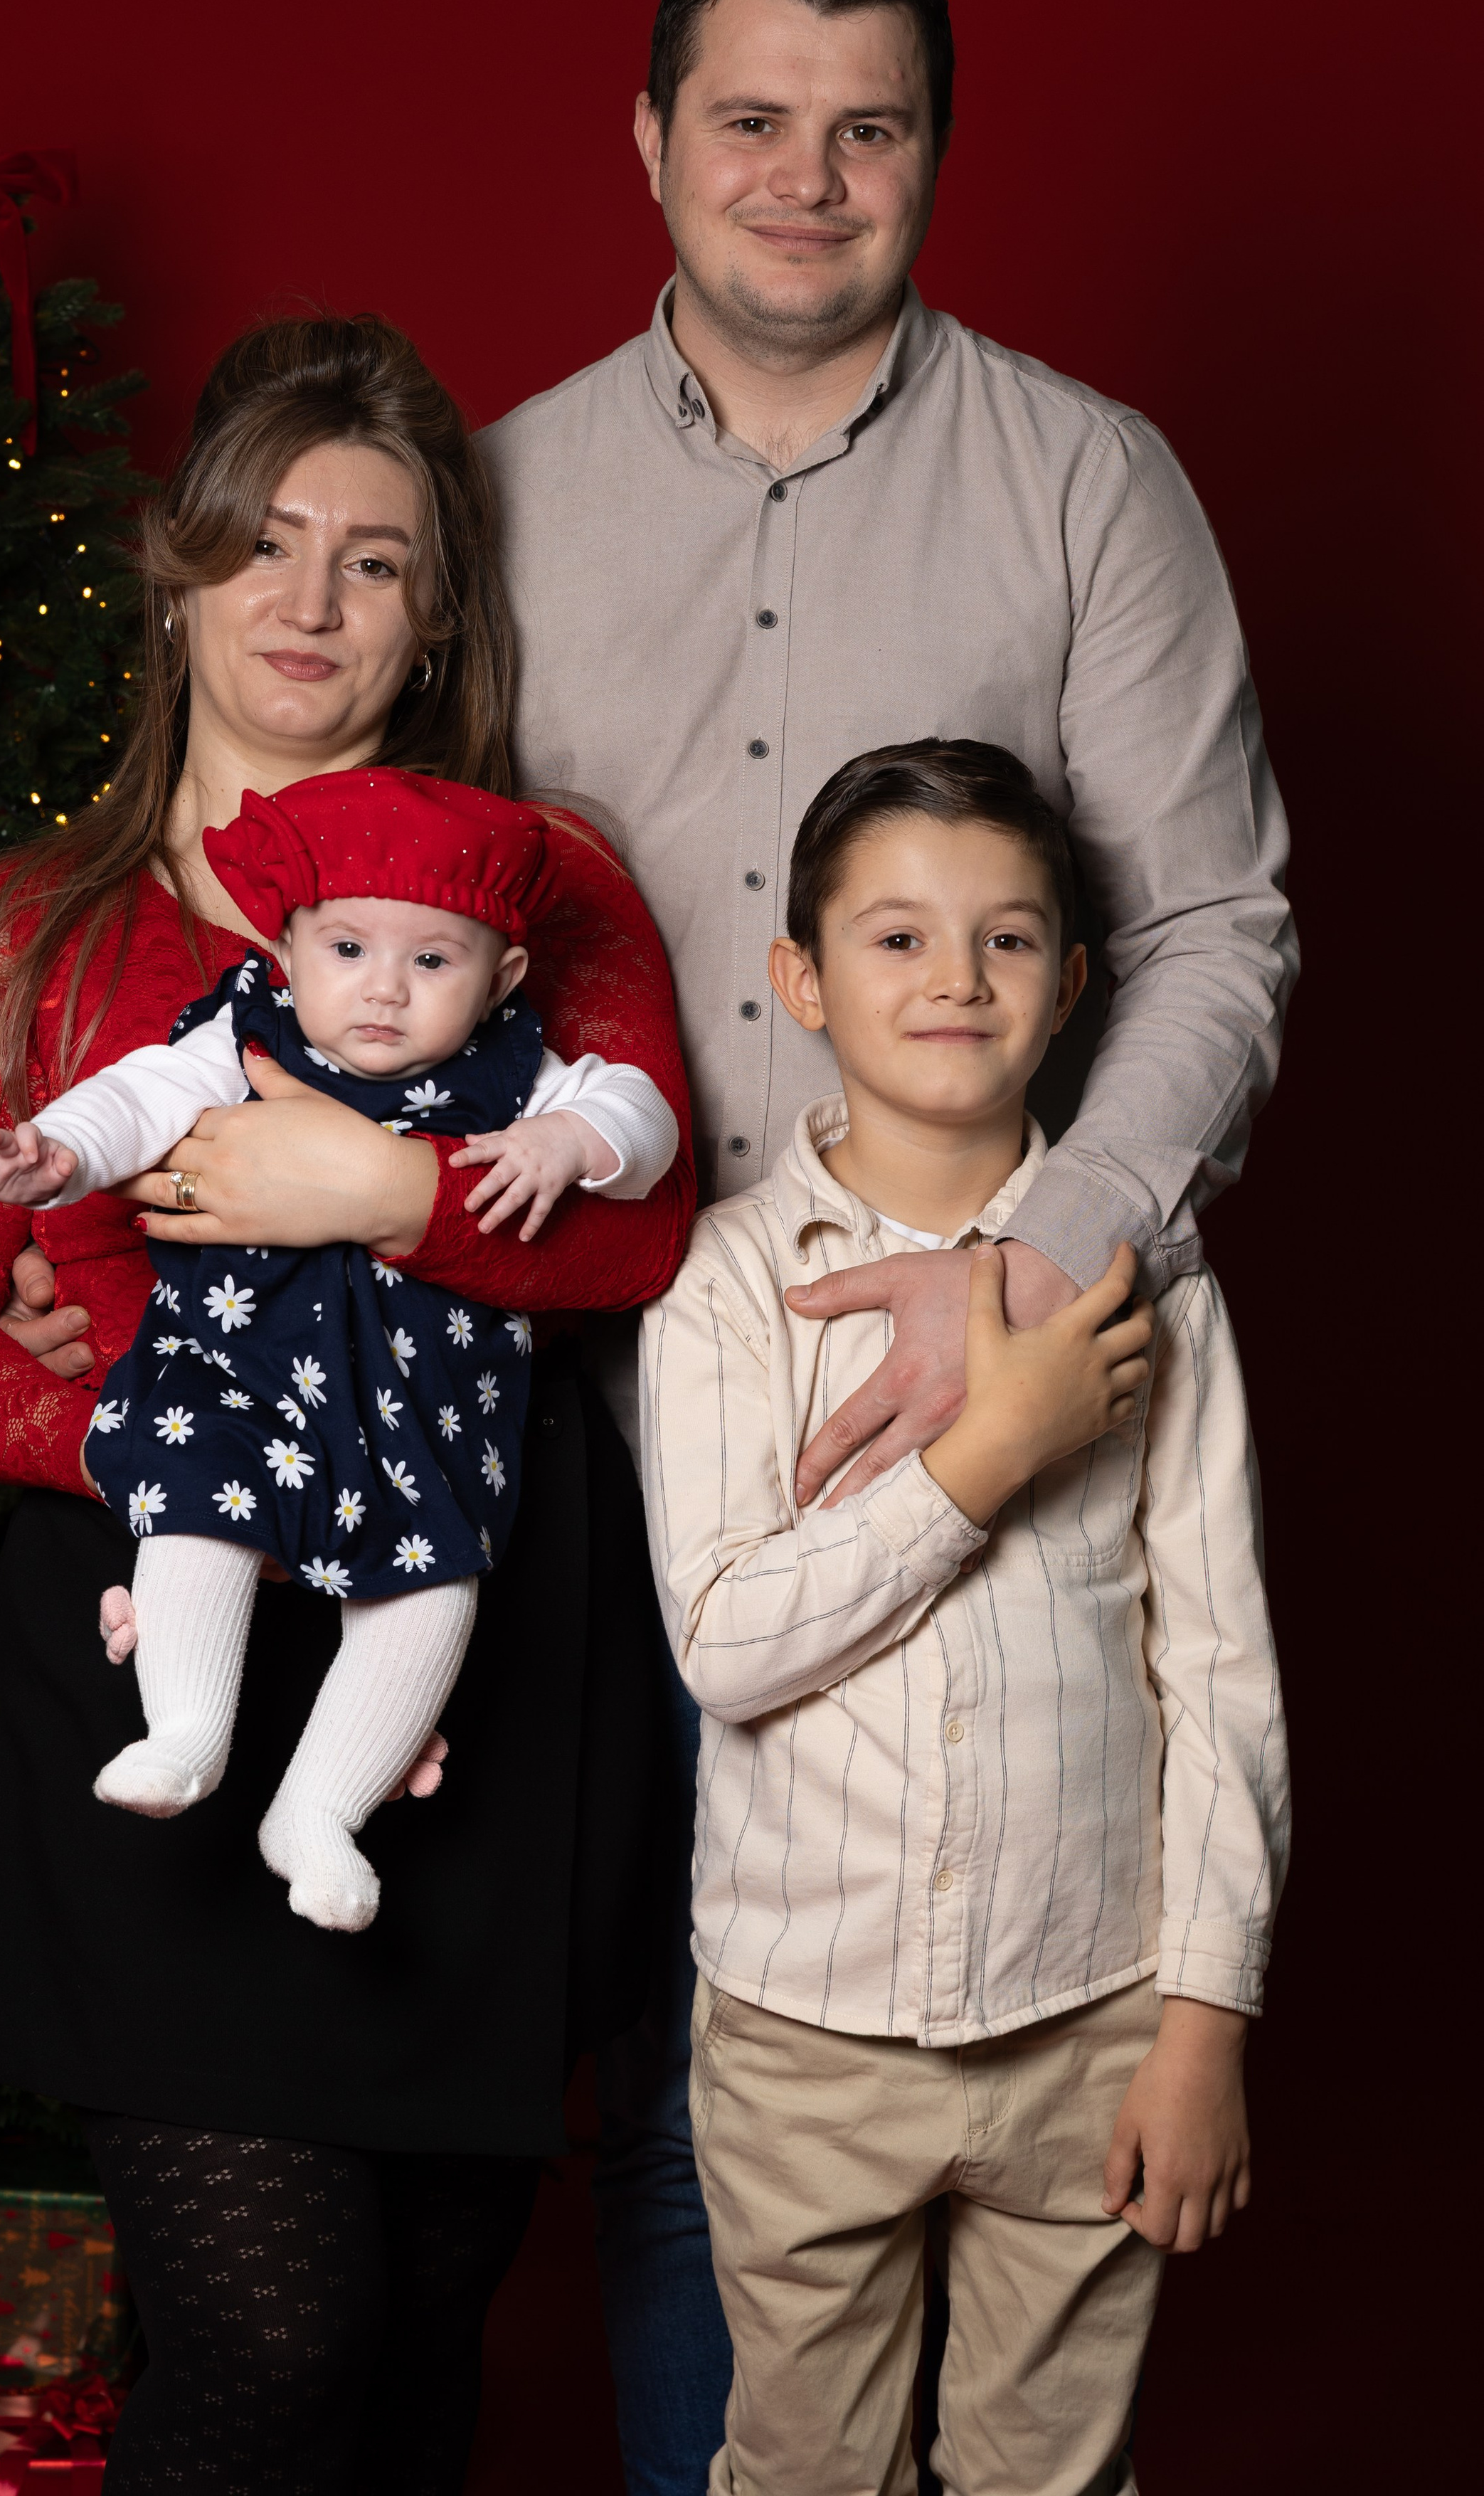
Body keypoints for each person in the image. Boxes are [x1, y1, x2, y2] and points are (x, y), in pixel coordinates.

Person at [477, 0, 1296, 2490]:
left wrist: (1030, 1283)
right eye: (750, 118)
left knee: (966, 2030)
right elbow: (354, 907)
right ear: (648, 140)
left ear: (936, 153)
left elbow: (1214, 928)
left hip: (993, 1363)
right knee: (665, 2058)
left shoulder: (1087, 482)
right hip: (571, 1372)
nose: (805, 180)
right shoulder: (494, 497)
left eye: (869, 128)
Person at [0, 311, 696, 2494]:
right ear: (178, 571)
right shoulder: (32, 935)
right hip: (166, 1638)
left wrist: (382, 1189)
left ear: (435, 620)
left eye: (378, 561)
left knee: (421, 2327)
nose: (311, 603)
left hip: (473, 1651)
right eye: (267, 543)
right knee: (271, 2337)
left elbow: (639, 1228)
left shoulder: (537, 889)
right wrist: (164, 1439)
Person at [642, 740, 1289, 2495]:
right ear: (798, 979)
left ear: (1074, 985)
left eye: (1007, 941)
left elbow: (1218, 1672)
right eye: (895, 939)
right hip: (801, 2034)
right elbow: (727, 1642)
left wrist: (1202, 2022)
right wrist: (981, 1459)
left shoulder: (1146, 1282)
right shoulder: (722, 1290)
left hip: (1089, 2014)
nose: (953, 981)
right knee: (798, 2472)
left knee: (1053, 2477)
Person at [0, 767, 677, 1931]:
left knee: (433, 1599)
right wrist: (63, 1152)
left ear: (504, 975)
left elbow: (647, 1121)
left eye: (433, 962)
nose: (384, 991)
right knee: (197, 1505)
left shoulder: (513, 1072)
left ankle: (322, 1810)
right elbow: (135, 1095)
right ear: (285, 949)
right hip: (239, 1382)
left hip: (416, 1425)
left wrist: (573, 1140)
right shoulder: (244, 1031)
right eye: (347, 951)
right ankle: (187, 1726)